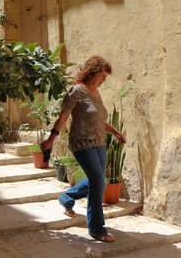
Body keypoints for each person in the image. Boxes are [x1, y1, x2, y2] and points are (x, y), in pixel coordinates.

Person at [41, 56, 126, 243]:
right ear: (91, 72)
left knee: (97, 180)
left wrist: (117, 133)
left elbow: (99, 120)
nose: (104, 79)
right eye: (101, 74)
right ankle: (96, 228)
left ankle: (66, 197)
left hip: (99, 143)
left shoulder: (96, 92)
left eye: (106, 76)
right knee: (98, 181)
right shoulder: (76, 91)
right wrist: (51, 140)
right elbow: (63, 117)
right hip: (81, 143)